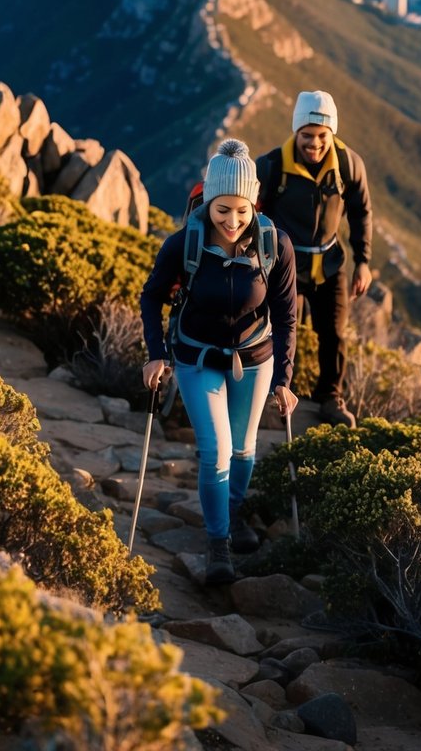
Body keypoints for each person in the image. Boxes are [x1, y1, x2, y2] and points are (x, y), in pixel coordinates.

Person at [140, 138, 298, 586]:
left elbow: (287, 314)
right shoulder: (183, 244)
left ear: (254, 204)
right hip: (196, 356)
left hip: (256, 358)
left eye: (242, 210)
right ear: (208, 201)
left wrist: (284, 379)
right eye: (222, 209)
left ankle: (232, 511)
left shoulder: (275, 245)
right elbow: (152, 296)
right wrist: (156, 354)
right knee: (216, 451)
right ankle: (218, 542)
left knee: (245, 448)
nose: (232, 221)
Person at [256, 90, 372, 429]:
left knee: (333, 333)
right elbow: (251, 214)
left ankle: (329, 398)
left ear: (331, 134)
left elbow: (361, 212)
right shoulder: (272, 166)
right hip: (282, 265)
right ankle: (275, 390)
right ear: (296, 132)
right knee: (277, 328)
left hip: (330, 263)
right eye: (307, 136)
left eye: (322, 136)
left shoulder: (348, 165)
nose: (315, 144)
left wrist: (363, 261)